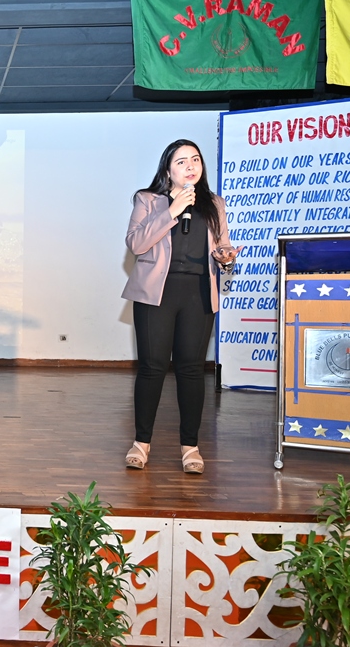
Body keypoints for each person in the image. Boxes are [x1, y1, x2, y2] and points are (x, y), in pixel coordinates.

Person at [121, 139, 239, 474]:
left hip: (198, 293)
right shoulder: (148, 200)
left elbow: (223, 246)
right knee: (152, 367)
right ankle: (141, 443)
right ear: (168, 170)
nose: (190, 166)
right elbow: (136, 244)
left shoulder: (213, 203)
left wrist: (226, 259)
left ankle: (190, 446)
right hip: (156, 293)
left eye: (195, 160)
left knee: (191, 370)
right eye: (182, 161)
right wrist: (171, 211)